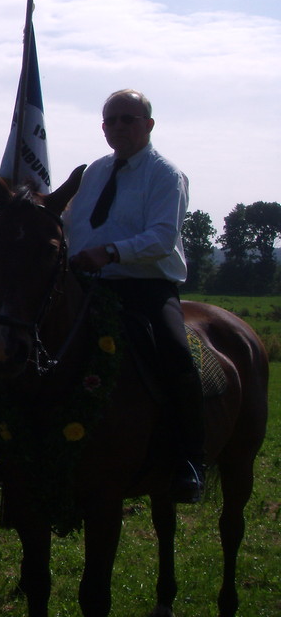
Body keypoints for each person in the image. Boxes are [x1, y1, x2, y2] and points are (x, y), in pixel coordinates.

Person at [62, 88, 203, 503]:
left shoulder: (165, 175)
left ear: (149, 124)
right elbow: (72, 223)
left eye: (129, 119)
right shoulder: (93, 173)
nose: (119, 126)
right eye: (112, 120)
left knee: (175, 352)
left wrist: (110, 252)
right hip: (87, 285)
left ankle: (189, 458)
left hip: (145, 287)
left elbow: (162, 237)